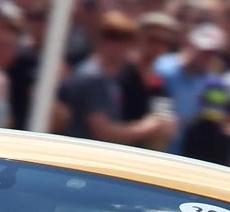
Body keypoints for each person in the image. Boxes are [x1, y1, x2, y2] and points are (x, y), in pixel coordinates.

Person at [54, 11, 172, 146]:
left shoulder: (111, 77)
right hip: (81, 153)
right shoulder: (93, 77)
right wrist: (150, 126)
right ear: (100, 39)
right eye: (110, 37)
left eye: (123, 39)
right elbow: (104, 132)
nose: (117, 46)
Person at [154, 23, 226, 152]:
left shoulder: (215, 84)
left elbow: (214, 120)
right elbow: (153, 99)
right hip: (154, 140)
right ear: (189, 44)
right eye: (204, 51)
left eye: (212, 53)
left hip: (186, 149)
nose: (207, 56)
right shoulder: (162, 67)